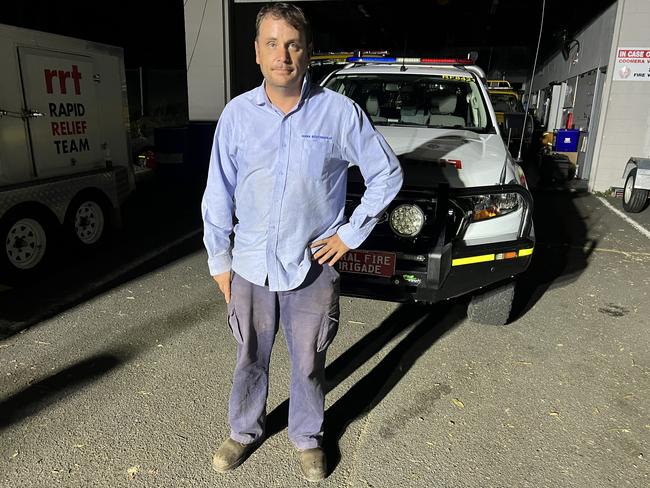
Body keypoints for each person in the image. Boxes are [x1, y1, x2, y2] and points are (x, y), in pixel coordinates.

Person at [201, 2, 402, 482]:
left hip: (310, 265)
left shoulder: (338, 113)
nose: (282, 55)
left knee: (310, 359)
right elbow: (217, 192)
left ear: (308, 51)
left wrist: (350, 235)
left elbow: (386, 174)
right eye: (272, 43)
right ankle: (243, 430)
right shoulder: (237, 115)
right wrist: (220, 261)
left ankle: (307, 436)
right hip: (249, 265)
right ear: (256, 52)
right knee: (250, 354)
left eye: (292, 44)